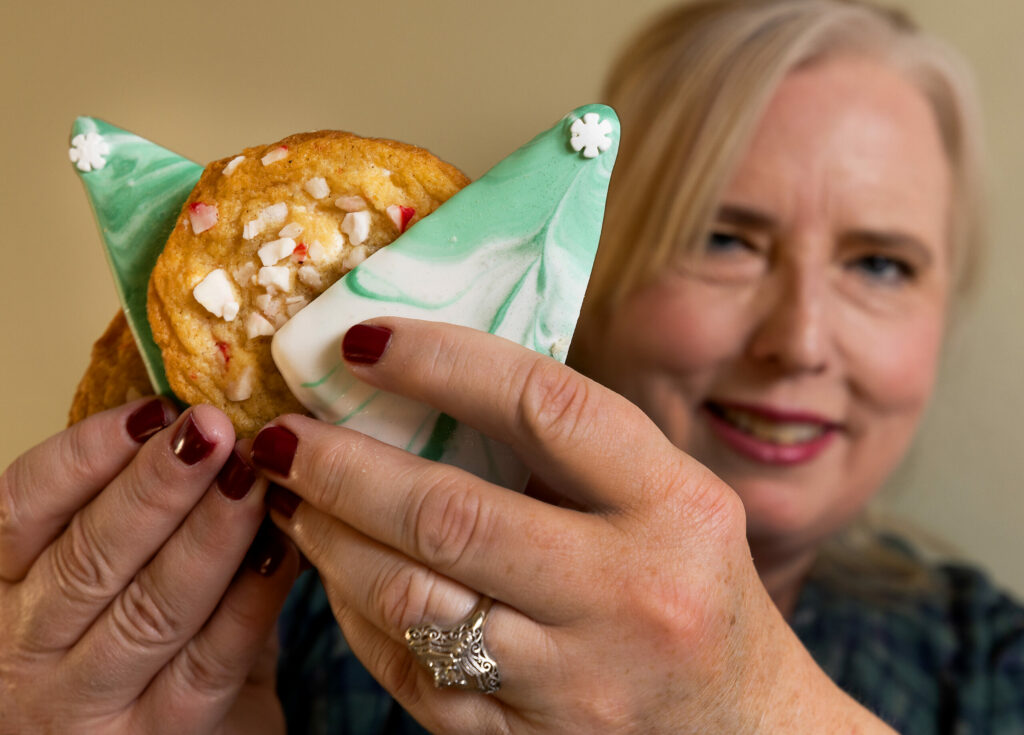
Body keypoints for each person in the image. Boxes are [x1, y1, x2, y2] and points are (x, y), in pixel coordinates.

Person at [1, 1, 1021, 734]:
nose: (798, 340)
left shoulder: (986, 668)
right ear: (583, 272)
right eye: (723, 239)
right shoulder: (280, 615)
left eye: (881, 264)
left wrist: (751, 710)